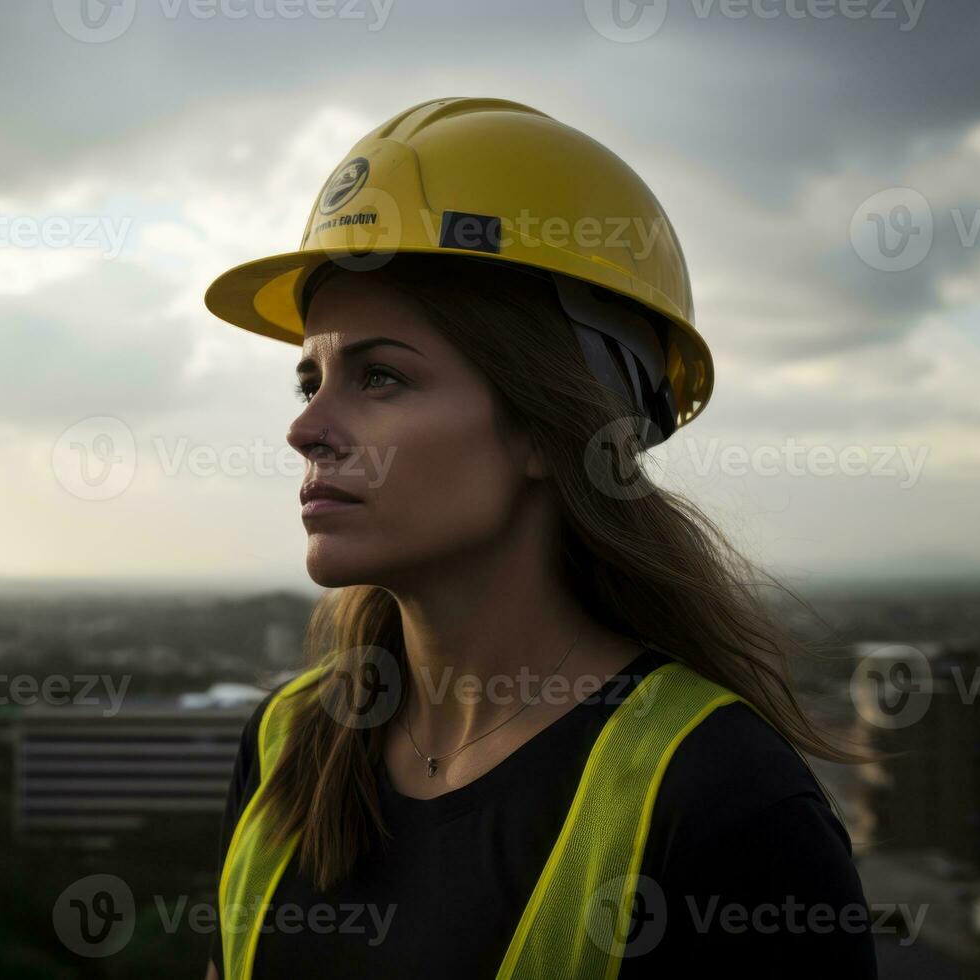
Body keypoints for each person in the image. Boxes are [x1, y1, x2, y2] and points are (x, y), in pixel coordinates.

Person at [199, 97, 880, 979]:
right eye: (308, 381)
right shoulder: (286, 744)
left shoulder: (723, 802)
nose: (307, 430)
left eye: (378, 376)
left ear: (545, 426)